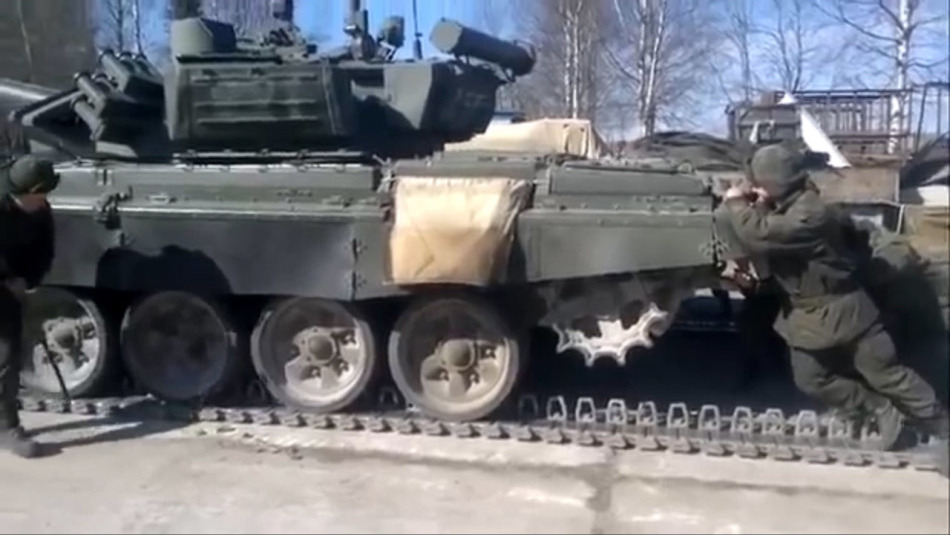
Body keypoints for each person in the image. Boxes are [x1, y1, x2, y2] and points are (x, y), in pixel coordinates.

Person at [714, 142, 949, 452]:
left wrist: (735, 202)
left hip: (845, 311)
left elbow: (760, 234)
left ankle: (942, 426)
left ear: (776, 183)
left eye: (760, 182)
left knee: (887, 375)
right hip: (810, 317)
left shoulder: (810, 213)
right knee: (811, 379)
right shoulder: (790, 206)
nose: (754, 187)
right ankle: (881, 409)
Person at [0, 154, 59, 459]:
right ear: (21, 192)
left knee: (7, 357)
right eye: (39, 194)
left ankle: (6, 426)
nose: (44, 200)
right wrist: (7, 279)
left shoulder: (40, 210)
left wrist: (29, 280)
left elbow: (44, 250)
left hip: (11, 287)